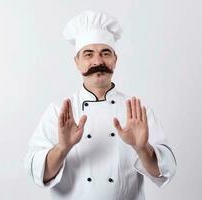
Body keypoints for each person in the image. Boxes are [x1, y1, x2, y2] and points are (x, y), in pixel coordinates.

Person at [24, 10, 177, 200]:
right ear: (77, 62)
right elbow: (38, 174)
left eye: (105, 53)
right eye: (88, 54)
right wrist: (62, 148)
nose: (98, 61)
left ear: (115, 60)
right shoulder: (59, 112)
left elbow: (165, 171)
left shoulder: (136, 113)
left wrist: (142, 148)